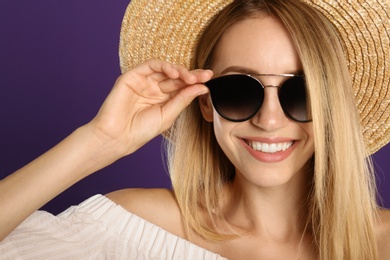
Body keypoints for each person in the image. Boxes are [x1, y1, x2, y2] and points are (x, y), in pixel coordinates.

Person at [0, 0, 389, 259]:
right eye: (238, 90)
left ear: (333, 105)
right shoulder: (133, 229)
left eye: (301, 92)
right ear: (205, 101)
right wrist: (98, 141)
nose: (270, 120)